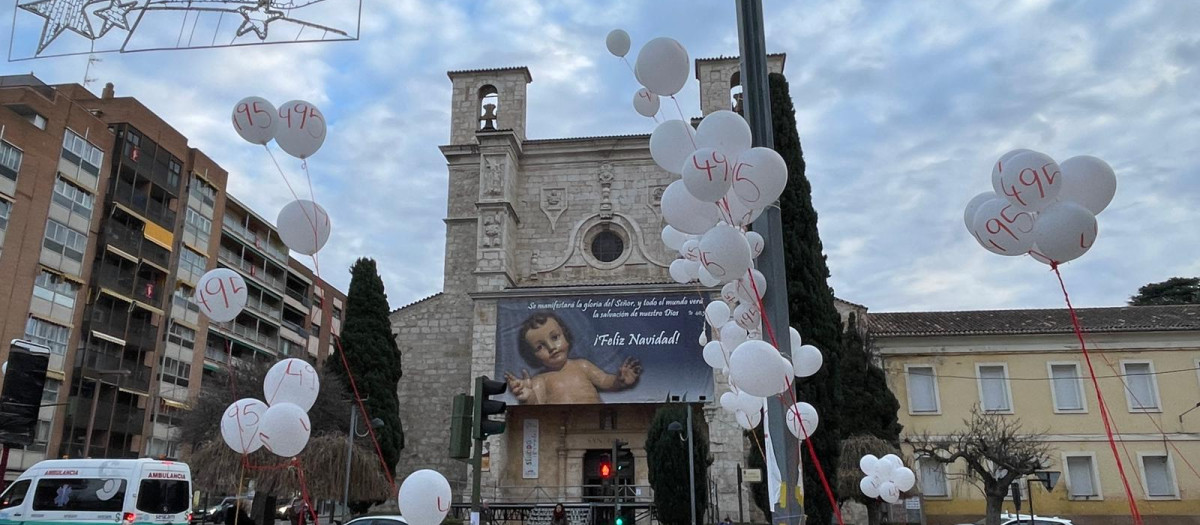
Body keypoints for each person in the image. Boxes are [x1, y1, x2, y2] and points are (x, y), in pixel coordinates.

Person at [505, 311, 642, 404]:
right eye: (540, 347)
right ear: (532, 356)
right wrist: (528, 396)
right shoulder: (541, 379)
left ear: (565, 335)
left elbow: (605, 380)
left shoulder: (582, 365)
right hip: (564, 427)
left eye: (555, 337)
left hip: (598, 420)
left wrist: (620, 380)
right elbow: (536, 403)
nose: (552, 347)